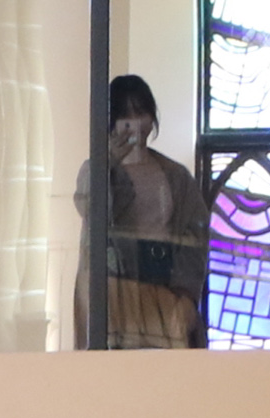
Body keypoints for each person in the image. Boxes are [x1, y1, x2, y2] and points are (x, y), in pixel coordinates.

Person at [76, 74, 208, 349]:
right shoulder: (95, 170)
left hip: (164, 287)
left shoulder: (175, 176)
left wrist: (186, 295)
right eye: (125, 114)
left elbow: (195, 237)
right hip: (113, 289)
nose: (134, 122)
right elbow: (93, 214)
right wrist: (108, 164)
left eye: (141, 112)